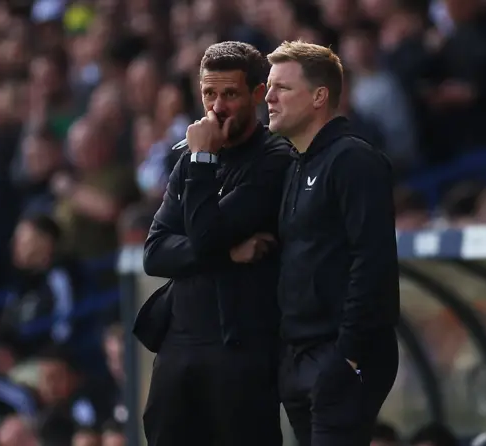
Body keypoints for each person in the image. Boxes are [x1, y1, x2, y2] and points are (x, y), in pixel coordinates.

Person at [135, 41, 292, 446]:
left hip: (238, 346)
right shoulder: (189, 158)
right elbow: (154, 252)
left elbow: (204, 238)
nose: (217, 106)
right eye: (209, 94)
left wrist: (203, 162)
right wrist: (228, 252)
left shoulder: (275, 159)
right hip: (177, 344)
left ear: (258, 95)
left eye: (230, 94)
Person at [260, 40, 399, 445]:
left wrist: (348, 353)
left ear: (320, 96)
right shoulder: (293, 165)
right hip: (300, 354)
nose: (268, 97)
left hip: (338, 354)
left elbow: (372, 261)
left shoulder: (353, 160)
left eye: (282, 88)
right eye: (270, 87)